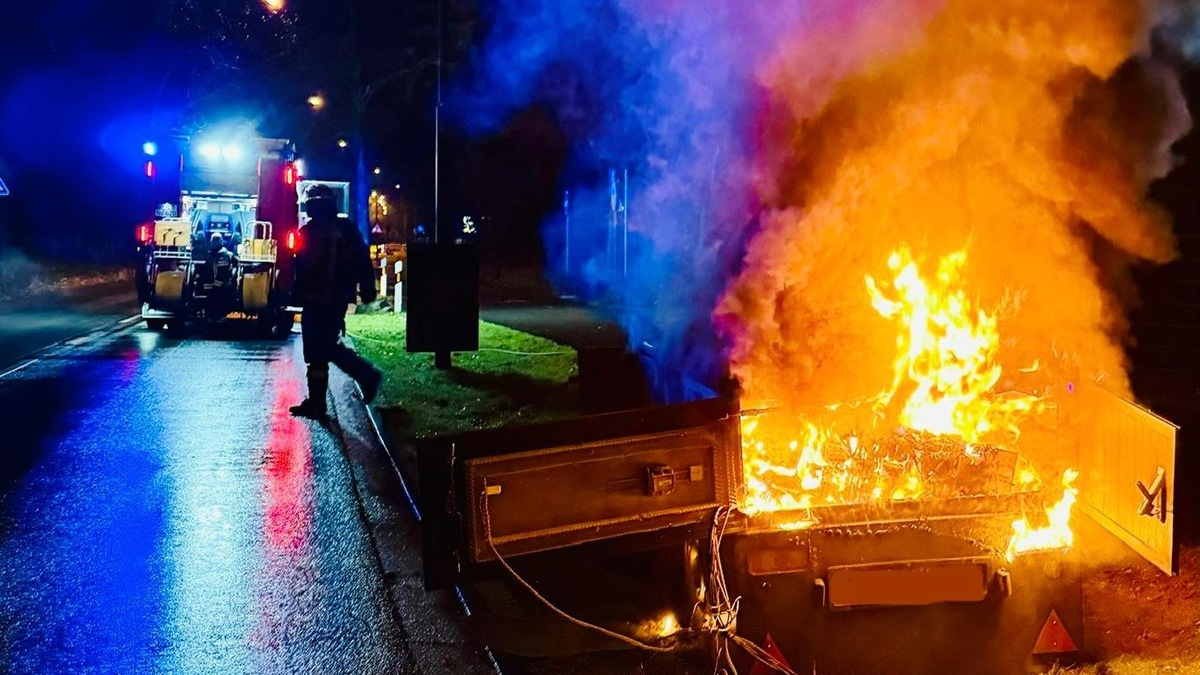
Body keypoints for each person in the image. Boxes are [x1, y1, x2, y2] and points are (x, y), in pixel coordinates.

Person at [289, 184, 383, 418]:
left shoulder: (323, 231)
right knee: (316, 352)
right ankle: (317, 403)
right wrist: (367, 287)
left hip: (324, 300)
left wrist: (367, 287)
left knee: (323, 347)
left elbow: (360, 259)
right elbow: (301, 268)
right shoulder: (338, 229)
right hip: (326, 299)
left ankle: (365, 374)